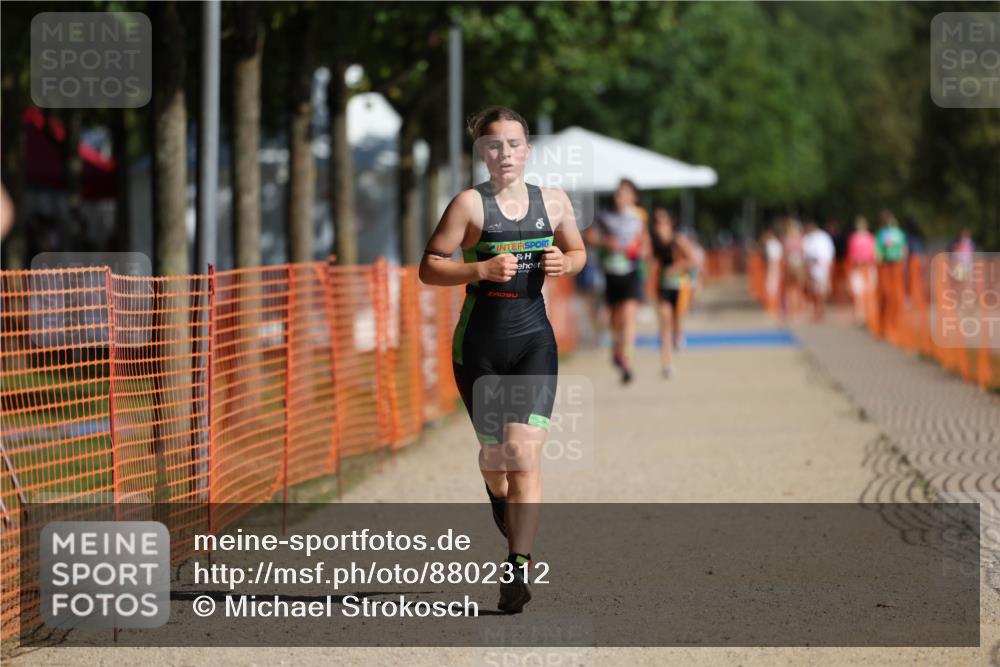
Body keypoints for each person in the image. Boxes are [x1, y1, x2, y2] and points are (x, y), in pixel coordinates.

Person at [419, 106, 585, 614]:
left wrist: (565, 261)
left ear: (527, 150)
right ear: (481, 152)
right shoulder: (469, 205)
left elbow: (577, 252)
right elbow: (429, 267)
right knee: (497, 461)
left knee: (524, 454)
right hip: (479, 348)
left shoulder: (553, 203)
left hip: (534, 341)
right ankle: (497, 496)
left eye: (513, 144)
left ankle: (518, 566)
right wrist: (480, 269)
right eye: (493, 145)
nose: (504, 154)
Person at [584, 179, 649, 384]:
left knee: (629, 316)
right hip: (611, 273)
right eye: (617, 194)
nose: (619, 198)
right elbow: (589, 236)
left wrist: (639, 251)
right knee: (615, 319)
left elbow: (645, 244)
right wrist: (606, 242)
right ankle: (616, 348)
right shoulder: (605, 216)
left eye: (624, 194)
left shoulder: (639, 217)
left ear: (633, 197)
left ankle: (627, 360)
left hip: (631, 271)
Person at [649, 207, 695, 378]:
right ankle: (667, 364)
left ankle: (679, 334)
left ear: (670, 223)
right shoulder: (654, 243)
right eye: (656, 222)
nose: (660, 226)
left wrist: (677, 268)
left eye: (663, 222)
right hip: (663, 288)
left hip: (680, 287)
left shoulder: (678, 240)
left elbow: (693, 260)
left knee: (677, 320)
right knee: (664, 323)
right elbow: (649, 261)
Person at [875, 210, 908, 341]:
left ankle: (891, 325)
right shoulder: (885, 233)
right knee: (888, 294)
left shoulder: (894, 233)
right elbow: (879, 250)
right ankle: (887, 326)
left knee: (892, 295)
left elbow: (903, 249)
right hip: (888, 266)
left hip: (892, 266)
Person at [846, 215, 877, 325]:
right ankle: (860, 315)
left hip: (868, 268)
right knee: (858, 292)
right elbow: (851, 254)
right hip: (857, 268)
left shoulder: (870, 238)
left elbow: (874, 253)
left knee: (869, 291)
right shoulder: (853, 238)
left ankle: (869, 314)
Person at [802, 220, 835, 322]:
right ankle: (816, 310)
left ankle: (820, 310)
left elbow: (827, 253)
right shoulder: (809, 238)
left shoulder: (823, 237)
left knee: (820, 290)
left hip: (821, 267)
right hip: (812, 267)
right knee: (814, 290)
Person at [781, 218, 806, 320]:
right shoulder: (799, 239)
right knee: (795, 289)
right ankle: (794, 310)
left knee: (792, 289)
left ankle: (792, 310)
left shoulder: (787, 240)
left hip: (792, 265)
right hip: (796, 265)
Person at [762, 226, 783, 315]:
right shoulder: (775, 243)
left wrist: (771, 268)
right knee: (772, 287)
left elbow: (773, 258)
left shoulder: (771, 244)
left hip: (774, 266)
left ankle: (773, 307)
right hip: (775, 266)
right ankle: (773, 307)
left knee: (771, 287)